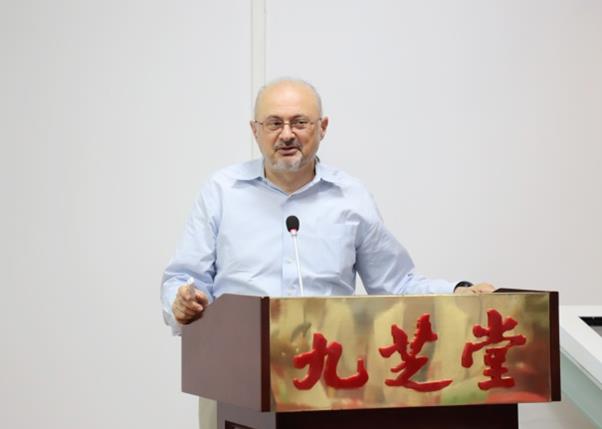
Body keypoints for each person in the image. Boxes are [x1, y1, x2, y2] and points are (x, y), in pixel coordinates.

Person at [161, 78, 494, 428]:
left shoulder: (350, 197)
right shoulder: (221, 191)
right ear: (255, 130)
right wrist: (181, 302)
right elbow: (183, 279)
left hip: (326, 381)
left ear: (323, 127)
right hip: (234, 376)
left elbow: (396, 283)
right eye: (274, 123)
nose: (286, 134)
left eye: (300, 122)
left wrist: (457, 291)